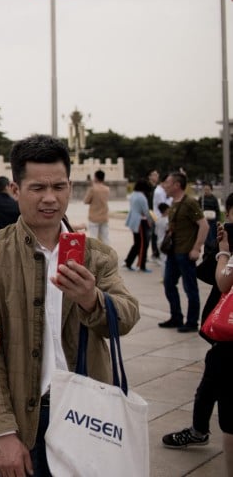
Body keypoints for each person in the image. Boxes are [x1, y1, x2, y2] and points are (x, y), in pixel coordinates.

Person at [0, 135, 139, 477]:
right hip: (20, 419)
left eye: (59, 186)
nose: (50, 198)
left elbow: (127, 315)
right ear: (15, 190)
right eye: (37, 188)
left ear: (71, 186)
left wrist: (92, 299)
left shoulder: (96, 255)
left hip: (85, 413)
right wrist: (2, 432)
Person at [161, 193, 233, 457]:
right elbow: (209, 275)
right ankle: (199, 429)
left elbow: (223, 282)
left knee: (214, 389)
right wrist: (220, 246)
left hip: (228, 338)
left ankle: (199, 431)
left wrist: (225, 251)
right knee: (210, 385)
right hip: (223, 331)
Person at [159, 171, 209, 333]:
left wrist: (196, 248)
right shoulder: (174, 202)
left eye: (167, 182)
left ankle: (192, 321)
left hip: (186, 253)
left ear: (177, 185)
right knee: (168, 284)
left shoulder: (189, 203)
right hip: (173, 252)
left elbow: (204, 225)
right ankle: (176, 316)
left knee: (190, 288)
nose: (164, 185)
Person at [124, 178, 154, 272]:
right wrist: (151, 220)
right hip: (141, 222)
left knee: (137, 244)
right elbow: (146, 211)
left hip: (134, 221)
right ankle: (141, 265)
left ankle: (128, 262)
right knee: (142, 245)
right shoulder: (141, 197)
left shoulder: (133, 194)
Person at [83, 169, 111, 245]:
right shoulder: (107, 189)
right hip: (104, 216)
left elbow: (86, 201)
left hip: (94, 217)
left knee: (93, 238)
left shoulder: (92, 189)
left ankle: (94, 256)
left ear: (96, 177)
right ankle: (107, 255)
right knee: (105, 238)